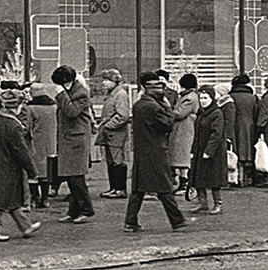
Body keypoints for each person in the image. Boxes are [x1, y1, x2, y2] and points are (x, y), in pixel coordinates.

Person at [124, 72, 192, 233]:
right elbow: (168, 123)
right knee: (164, 188)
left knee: (139, 189)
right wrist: (167, 107)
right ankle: (177, 221)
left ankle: (130, 221)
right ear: (146, 87)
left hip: (143, 152)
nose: (160, 89)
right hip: (155, 151)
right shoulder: (153, 106)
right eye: (155, 86)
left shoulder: (139, 104)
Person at [0, 89, 42, 242]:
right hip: (8, 167)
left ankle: (25, 226)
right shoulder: (13, 126)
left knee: (9, 198)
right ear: (18, 106)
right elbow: (21, 151)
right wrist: (32, 171)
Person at [54, 66, 95, 223]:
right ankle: (73, 211)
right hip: (68, 139)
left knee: (77, 177)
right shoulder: (70, 91)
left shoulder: (81, 93)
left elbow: (72, 112)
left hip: (77, 140)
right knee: (71, 177)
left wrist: (61, 94)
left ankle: (87, 209)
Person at [189, 86, 227, 214]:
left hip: (213, 152)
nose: (203, 101)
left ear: (212, 98)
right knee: (199, 176)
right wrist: (193, 150)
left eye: (206, 98)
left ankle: (218, 204)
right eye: (201, 98)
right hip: (200, 149)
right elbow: (197, 134)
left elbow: (216, 134)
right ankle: (202, 202)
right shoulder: (201, 113)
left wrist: (209, 151)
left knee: (214, 178)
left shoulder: (216, 113)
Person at [96, 69, 130, 199]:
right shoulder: (112, 94)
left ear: (115, 81)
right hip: (110, 134)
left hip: (116, 134)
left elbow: (123, 115)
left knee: (117, 162)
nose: (104, 83)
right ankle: (114, 188)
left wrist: (108, 126)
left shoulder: (120, 94)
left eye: (107, 80)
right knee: (111, 162)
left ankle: (120, 189)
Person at [25, 83, 57, 209]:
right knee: (47, 173)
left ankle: (35, 197)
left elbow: (27, 127)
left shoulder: (30, 108)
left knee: (33, 173)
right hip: (51, 144)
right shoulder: (54, 106)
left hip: (35, 144)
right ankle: (45, 199)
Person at [168, 73, 199, 194]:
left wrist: (167, 110)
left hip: (184, 130)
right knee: (180, 156)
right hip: (182, 130)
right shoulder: (189, 96)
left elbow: (179, 113)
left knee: (182, 156)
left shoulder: (189, 98)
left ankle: (185, 183)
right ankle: (183, 182)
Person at [227, 74, 257, 186]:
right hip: (249, 128)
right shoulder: (253, 98)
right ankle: (246, 178)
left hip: (234, 127)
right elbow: (256, 114)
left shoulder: (230, 97)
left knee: (234, 152)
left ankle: (236, 178)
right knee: (247, 152)